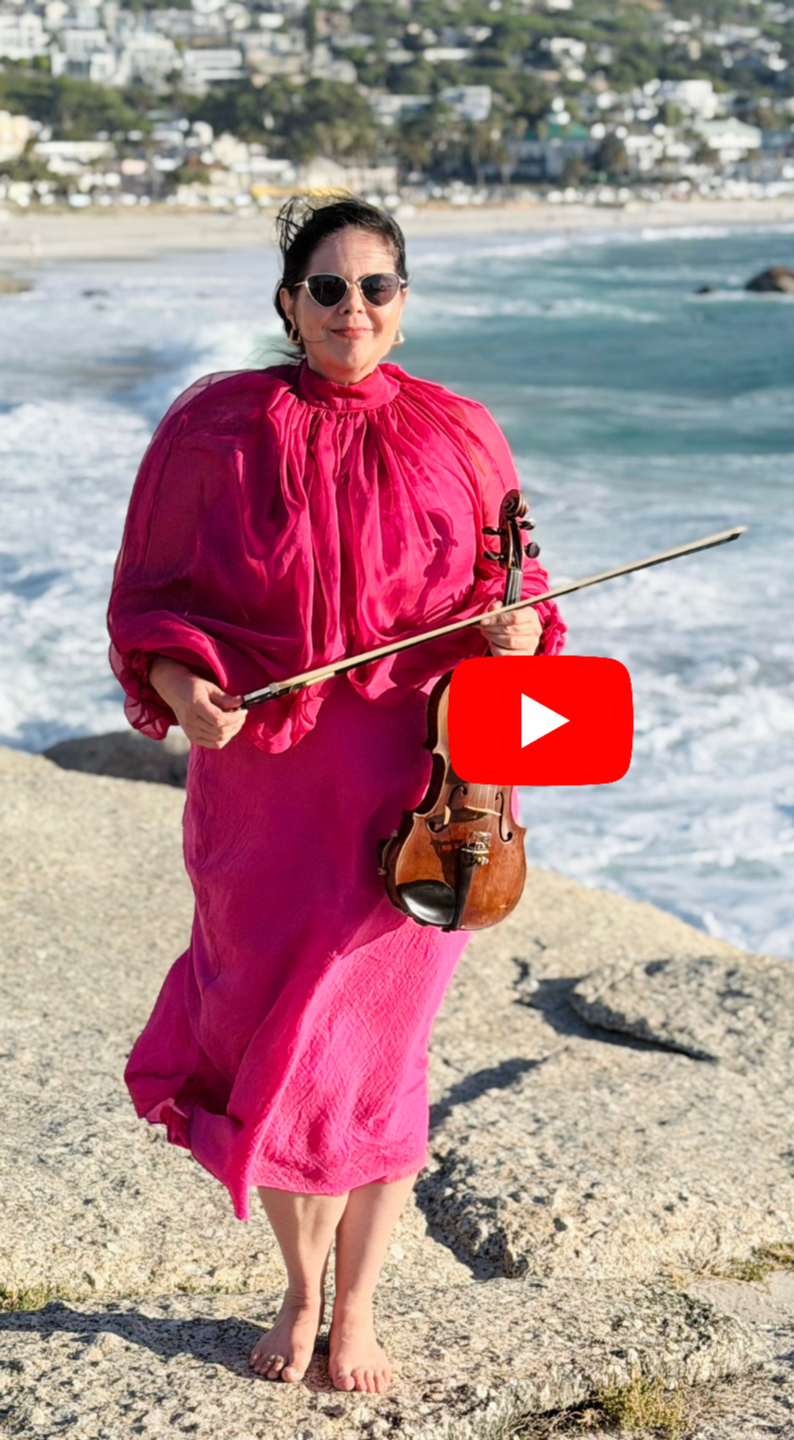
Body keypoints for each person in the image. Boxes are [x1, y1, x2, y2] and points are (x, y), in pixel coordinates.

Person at [107, 196, 566, 1393]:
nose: (351, 308)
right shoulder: (215, 429)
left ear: (403, 305)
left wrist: (518, 636)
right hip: (263, 791)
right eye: (328, 287)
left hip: (416, 792)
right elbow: (152, 598)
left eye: (376, 287)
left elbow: (523, 593)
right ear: (288, 302)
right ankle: (299, 1290)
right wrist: (181, 686)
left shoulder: (464, 434)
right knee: (272, 1040)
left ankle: (354, 1307)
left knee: (377, 1054)